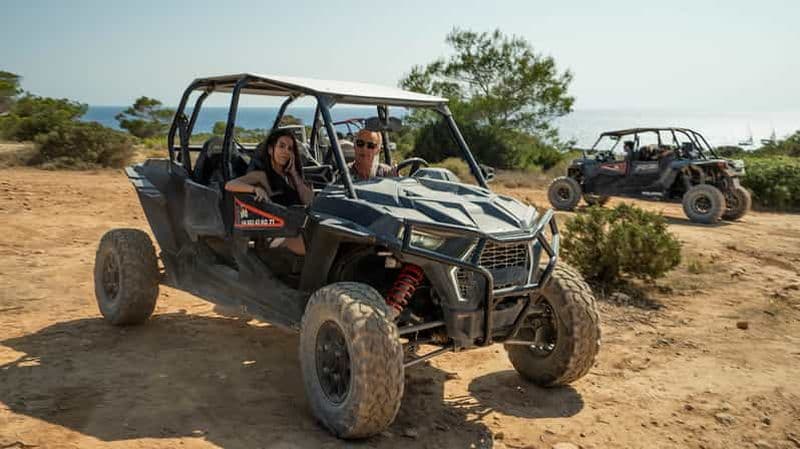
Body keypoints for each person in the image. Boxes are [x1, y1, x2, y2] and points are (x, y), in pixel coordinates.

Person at [225, 128, 313, 254]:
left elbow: (309, 201)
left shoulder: (291, 177)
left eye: (290, 148)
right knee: (315, 245)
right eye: (281, 146)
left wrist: (294, 173)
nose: (285, 151)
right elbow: (230, 185)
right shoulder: (261, 175)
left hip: (298, 228)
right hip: (277, 234)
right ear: (271, 150)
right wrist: (256, 189)